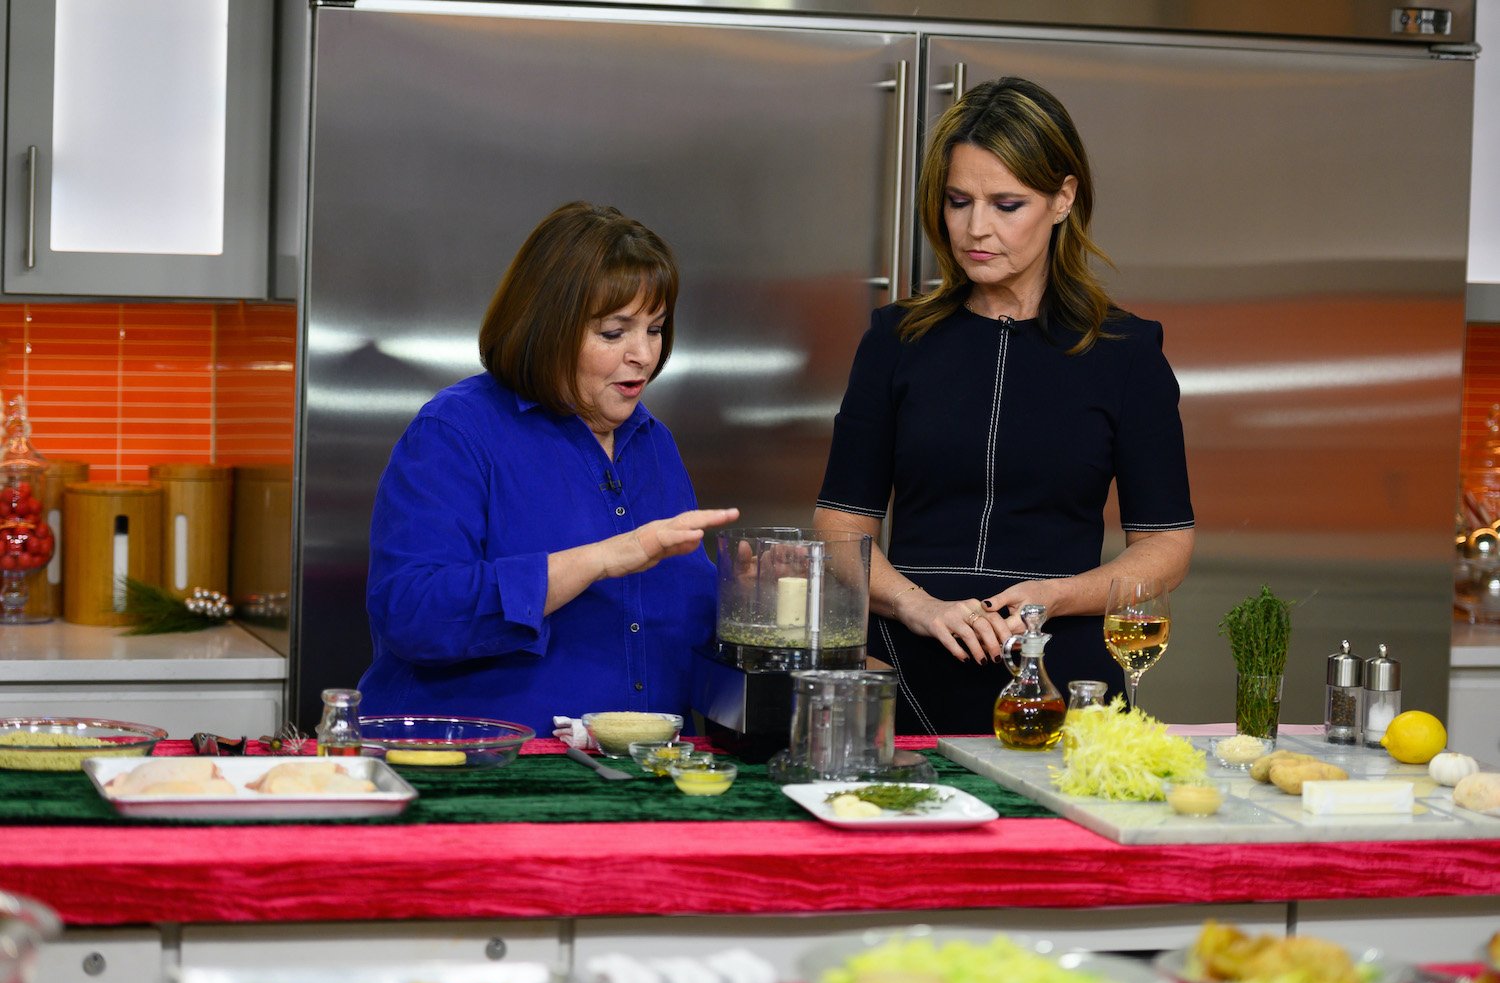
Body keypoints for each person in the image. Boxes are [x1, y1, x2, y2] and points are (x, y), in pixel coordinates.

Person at [813, 78, 1195, 734]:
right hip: (907, 673)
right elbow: (840, 526)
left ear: (1062, 199)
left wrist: (1054, 597)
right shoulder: (894, 341)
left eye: (1006, 203)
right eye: (959, 201)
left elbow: (1164, 546)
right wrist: (918, 606)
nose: (975, 227)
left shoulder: (1127, 353)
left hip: (1064, 675)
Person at [360, 201, 739, 735]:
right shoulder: (455, 431)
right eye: (614, 333)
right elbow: (414, 613)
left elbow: (674, 619)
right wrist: (600, 559)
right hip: (478, 771)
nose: (644, 355)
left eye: (654, 329)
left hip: (634, 777)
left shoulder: (653, 443)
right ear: (547, 328)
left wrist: (742, 605)